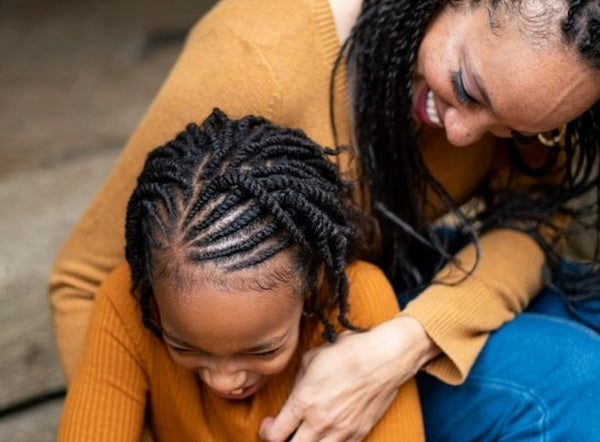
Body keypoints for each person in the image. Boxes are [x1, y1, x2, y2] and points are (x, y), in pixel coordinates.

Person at [49, 0, 600, 440]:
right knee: (574, 379)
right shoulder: (260, 60)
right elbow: (87, 281)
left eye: (522, 130)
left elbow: (537, 218)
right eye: (465, 88)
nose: (463, 137)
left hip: (373, 289)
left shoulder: (538, 66)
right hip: (282, 336)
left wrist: (408, 342)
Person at [57, 109, 424, 441]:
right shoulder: (125, 301)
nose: (225, 380)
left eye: (264, 350)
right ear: (152, 296)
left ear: (312, 286)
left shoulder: (356, 299)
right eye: (183, 347)